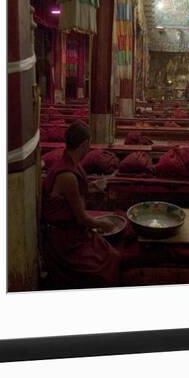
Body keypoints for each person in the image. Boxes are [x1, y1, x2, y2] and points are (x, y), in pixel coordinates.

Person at [41, 122, 121, 289]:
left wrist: (93, 186)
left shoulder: (71, 163)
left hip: (74, 230)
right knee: (106, 264)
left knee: (111, 252)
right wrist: (103, 223)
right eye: (89, 144)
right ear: (84, 144)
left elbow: (73, 194)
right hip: (65, 240)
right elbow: (82, 218)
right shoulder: (67, 174)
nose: (89, 148)